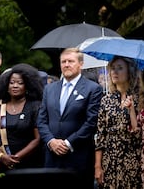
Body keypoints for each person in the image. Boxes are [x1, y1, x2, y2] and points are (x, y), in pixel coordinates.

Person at [38, 47, 103, 189]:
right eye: (63, 62)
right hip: (52, 156)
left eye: (71, 61)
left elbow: (91, 122)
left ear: (81, 64)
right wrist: (51, 141)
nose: (66, 64)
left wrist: (68, 143)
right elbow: (42, 120)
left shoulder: (93, 89)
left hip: (78, 156)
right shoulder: (49, 89)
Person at [94, 56, 142, 189]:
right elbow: (101, 135)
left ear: (129, 71)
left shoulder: (140, 98)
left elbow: (140, 133)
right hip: (110, 160)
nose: (115, 72)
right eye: (112, 68)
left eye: (120, 68)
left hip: (132, 158)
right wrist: (98, 166)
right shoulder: (106, 100)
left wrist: (131, 110)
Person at [0, 63, 45, 171]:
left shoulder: (35, 106)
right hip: (1, 163)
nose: (15, 86)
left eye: (20, 83)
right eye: (12, 83)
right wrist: (2, 156)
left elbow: (37, 139)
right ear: (6, 85)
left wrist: (16, 157)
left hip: (29, 164)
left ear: (27, 86)